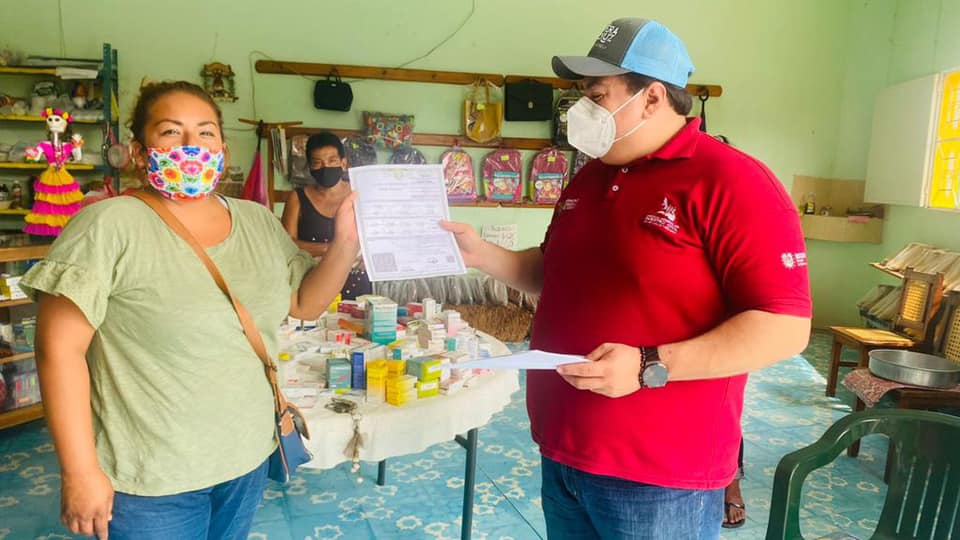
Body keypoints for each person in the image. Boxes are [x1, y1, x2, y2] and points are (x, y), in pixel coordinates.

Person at [441, 18, 812, 539]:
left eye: (597, 95)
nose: (581, 110)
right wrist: (481, 254)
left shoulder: (733, 181)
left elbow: (784, 327)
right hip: (564, 451)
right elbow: (555, 272)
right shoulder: (591, 176)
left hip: (660, 475)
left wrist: (648, 366)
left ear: (652, 97)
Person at [21, 81, 360, 540]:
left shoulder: (257, 221)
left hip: (245, 457)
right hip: (153, 476)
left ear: (222, 148)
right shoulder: (107, 225)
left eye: (205, 132)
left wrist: (346, 242)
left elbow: (305, 302)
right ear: (140, 152)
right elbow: (58, 351)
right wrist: (79, 471)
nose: (190, 145)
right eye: (170, 131)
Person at [280, 131, 372, 300]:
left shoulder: (359, 195)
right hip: (312, 283)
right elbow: (286, 244)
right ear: (309, 166)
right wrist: (330, 248)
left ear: (343, 163)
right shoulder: (297, 198)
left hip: (356, 283)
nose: (325, 167)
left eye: (332, 161)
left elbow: (376, 238)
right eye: (317, 163)